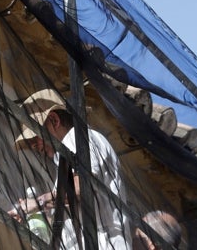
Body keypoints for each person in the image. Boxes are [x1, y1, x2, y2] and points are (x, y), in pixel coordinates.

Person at [7, 89, 131, 250]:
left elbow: (80, 188)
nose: (34, 146)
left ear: (54, 120)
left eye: (35, 137)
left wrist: (36, 204)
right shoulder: (67, 160)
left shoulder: (77, 138)